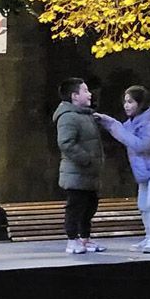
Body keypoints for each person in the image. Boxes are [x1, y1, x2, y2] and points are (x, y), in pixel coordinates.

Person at [96, 86, 150, 254]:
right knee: (143, 205)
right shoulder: (131, 123)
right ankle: (148, 236)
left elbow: (142, 145)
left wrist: (115, 127)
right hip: (144, 172)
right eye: (125, 102)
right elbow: (122, 132)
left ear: (140, 104)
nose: (126, 105)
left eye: (130, 102)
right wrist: (108, 122)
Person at [54, 77, 106, 255]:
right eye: (85, 91)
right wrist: (86, 159)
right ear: (74, 96)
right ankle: (72, 240)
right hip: (76, 173)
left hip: (89, 174)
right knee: (75, 207)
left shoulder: (86, 115)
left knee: (90, 207)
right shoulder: (68, 117)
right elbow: (66, 143)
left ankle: (85, 238)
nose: (89, 94)